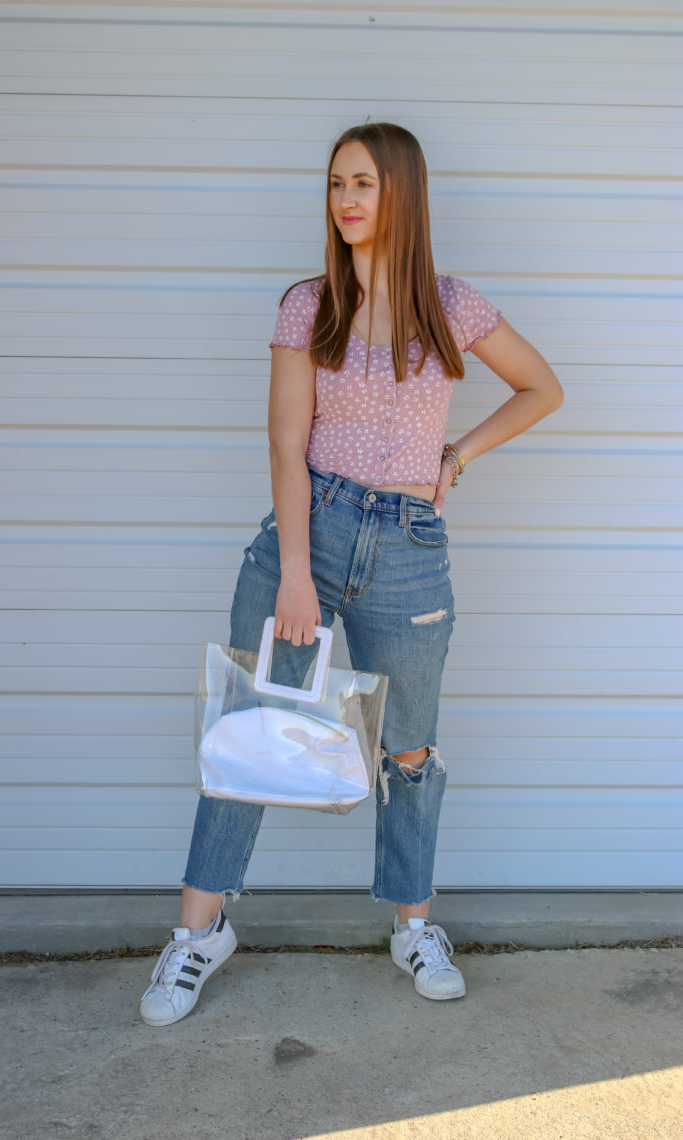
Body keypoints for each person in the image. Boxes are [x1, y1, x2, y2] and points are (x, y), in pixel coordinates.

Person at [140, 122, 563, 1026]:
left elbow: (542, 387)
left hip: (411, 546)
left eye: (364, 183)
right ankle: (198, 935)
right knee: (249, 730)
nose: (347, 201)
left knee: (407, 748)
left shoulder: (453, 305)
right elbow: (286, 444)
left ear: (401, 193)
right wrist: (296, 570)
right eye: (337, 183)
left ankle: (413, 925)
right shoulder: (309, 304)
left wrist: (460, 455)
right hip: (312, 533)